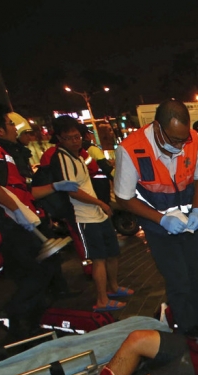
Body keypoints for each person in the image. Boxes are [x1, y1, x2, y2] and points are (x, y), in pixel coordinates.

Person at [0, 102, 68, 339]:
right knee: (37, 272)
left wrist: (52, 188)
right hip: (8, 223)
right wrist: (18, 211)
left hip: (17, 221)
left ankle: (27, 326)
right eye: (10, 123)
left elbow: (16, 189)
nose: (15, 128)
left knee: (43, 270)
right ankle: (15, 321)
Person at [114, 99, 198, 335]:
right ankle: (187, 331)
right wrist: (160, 219)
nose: (180, 146)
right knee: (179, 282)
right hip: (159, 229)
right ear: (157, 128)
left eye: (184, 140)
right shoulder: (131, 149)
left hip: (189, 224)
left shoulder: (194, 140)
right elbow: (123, 198)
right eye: (174, 140)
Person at [49, 116, 131, 313]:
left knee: (112, 252)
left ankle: (113, 287)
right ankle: (102, 300)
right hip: (83, 216)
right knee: (99, 258)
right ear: (60, 138)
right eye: (69, 138)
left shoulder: (78, 155)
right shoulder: (61, 157)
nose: (75, 140)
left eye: (77, 136)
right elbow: (72, 190)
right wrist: (100, 203)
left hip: (98, 214)